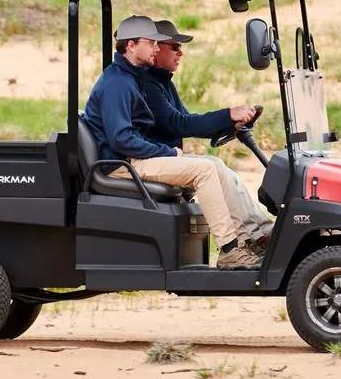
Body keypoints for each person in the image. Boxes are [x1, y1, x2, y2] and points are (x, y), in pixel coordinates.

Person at [77, 16, 265, 269]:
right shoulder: (118, 83)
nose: (157, 48)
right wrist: (167, 151)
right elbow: (122, 139)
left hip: (133, 158)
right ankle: (230, 250)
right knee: (204, 170)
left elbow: (172, 123)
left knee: (214, 166)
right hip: (122, 164)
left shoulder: (131, 77)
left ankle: (244, 242)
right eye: (152, 43)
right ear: (131, 45)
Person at [135, 18, 274, 262]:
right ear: (156, 48)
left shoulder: (162, 81)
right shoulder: (148, 84)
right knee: (211, 168)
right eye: (174, 47)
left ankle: (258, 235)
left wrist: (229, 123)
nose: (180, 53)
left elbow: (188, 119)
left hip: (165, 156)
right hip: (153, 158)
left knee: (221, 168)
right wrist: (227, 115)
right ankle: (241, 244)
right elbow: (178, 123)